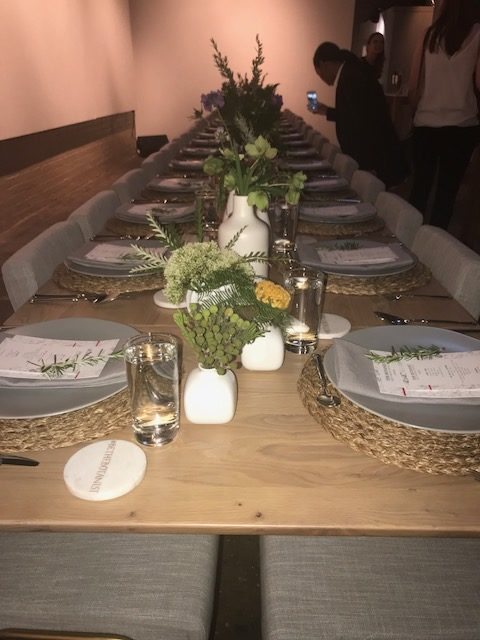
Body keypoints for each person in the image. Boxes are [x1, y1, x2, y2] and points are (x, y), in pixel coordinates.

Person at [408, 0, 480, 230]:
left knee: (420, 187)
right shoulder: (477, 34)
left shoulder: (428, 35)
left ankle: (409, 239)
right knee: (447, 193)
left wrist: (421, 107)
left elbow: (413, 86)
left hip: (426, 123)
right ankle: (436, 243)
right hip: (461, 125)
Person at [310, 41, 408, 188]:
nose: (322, 79)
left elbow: (361, 121)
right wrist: (326, 111)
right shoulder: (350, 72)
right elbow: (352, 114)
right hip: (374, 157)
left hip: (374, 159)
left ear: (324, 64)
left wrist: (367, 165)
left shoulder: (350, 77)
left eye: (320, 74)